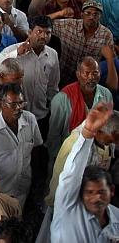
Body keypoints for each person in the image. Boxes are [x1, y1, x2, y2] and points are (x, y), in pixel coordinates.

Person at [50, 102, 119, 242]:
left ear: (111, 191)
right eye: (90, 192)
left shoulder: (115, 216)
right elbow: (70, 177)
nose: (96, 198)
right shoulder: (69, 208)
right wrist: (88, 133)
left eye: (101, 192)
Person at [0, 83, 43, 208]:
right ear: (0, 104)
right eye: (13, 104)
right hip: (1, 192)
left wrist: (36, 182)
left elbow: (36, 150)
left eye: (21, 103)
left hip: (25, 187)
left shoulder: (30, 120)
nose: (18, 108)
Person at [46, 55, 115, 170]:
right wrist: (59, 160)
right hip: (70, 155)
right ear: (78, 74)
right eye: (86, 73)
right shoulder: (62, 99)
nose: (91, 78)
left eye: (95, 73)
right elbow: (54, 135)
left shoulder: (106, 94)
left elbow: (109, 127)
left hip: (97, 156)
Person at [53, 0, 115, 86]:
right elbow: (42, 22)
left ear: (100, 16)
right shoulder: (68, 25)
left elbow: (111, 60)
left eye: (95, 14)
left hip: (87, 83)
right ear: (81, 14)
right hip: (62, 78)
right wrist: (59, 13)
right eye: (88, 13)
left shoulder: (106, 35)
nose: (91, 17)